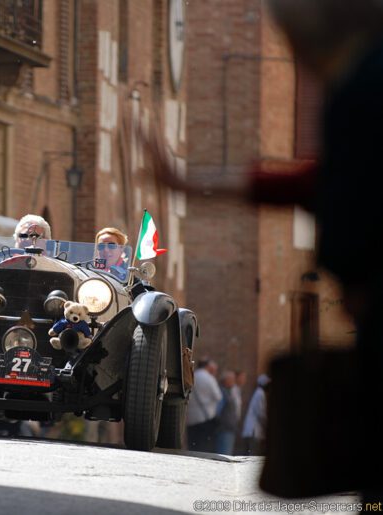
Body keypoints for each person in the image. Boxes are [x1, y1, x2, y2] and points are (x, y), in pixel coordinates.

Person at [148, 0, 383, 495]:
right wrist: (194, 184)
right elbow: (320, 181)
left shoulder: (362, 87)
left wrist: (194, 184)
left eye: (297, 45)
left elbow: (331, 182)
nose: (299, 60)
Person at [185, 359, 222, 452]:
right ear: (208, 367)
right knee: (204, 445)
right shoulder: (209, 378)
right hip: (205, 417)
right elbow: (218, 397)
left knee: (193, 444)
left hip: (191, 417)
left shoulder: (192, 375)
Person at [241, 373, 269, 456]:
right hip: (254, 431)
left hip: (253, 431)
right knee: (253, 456)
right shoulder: (260, 394)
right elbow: (260, 413)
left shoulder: (258, 393)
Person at [215, 370, 239, 455]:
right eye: (231, 379)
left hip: (229, 427)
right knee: (224, 454)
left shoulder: (229, 391)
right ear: (226, 380)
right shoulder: (222, 392)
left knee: (226, 453)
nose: (233, 381)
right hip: (224, 428)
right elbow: (218, 410)